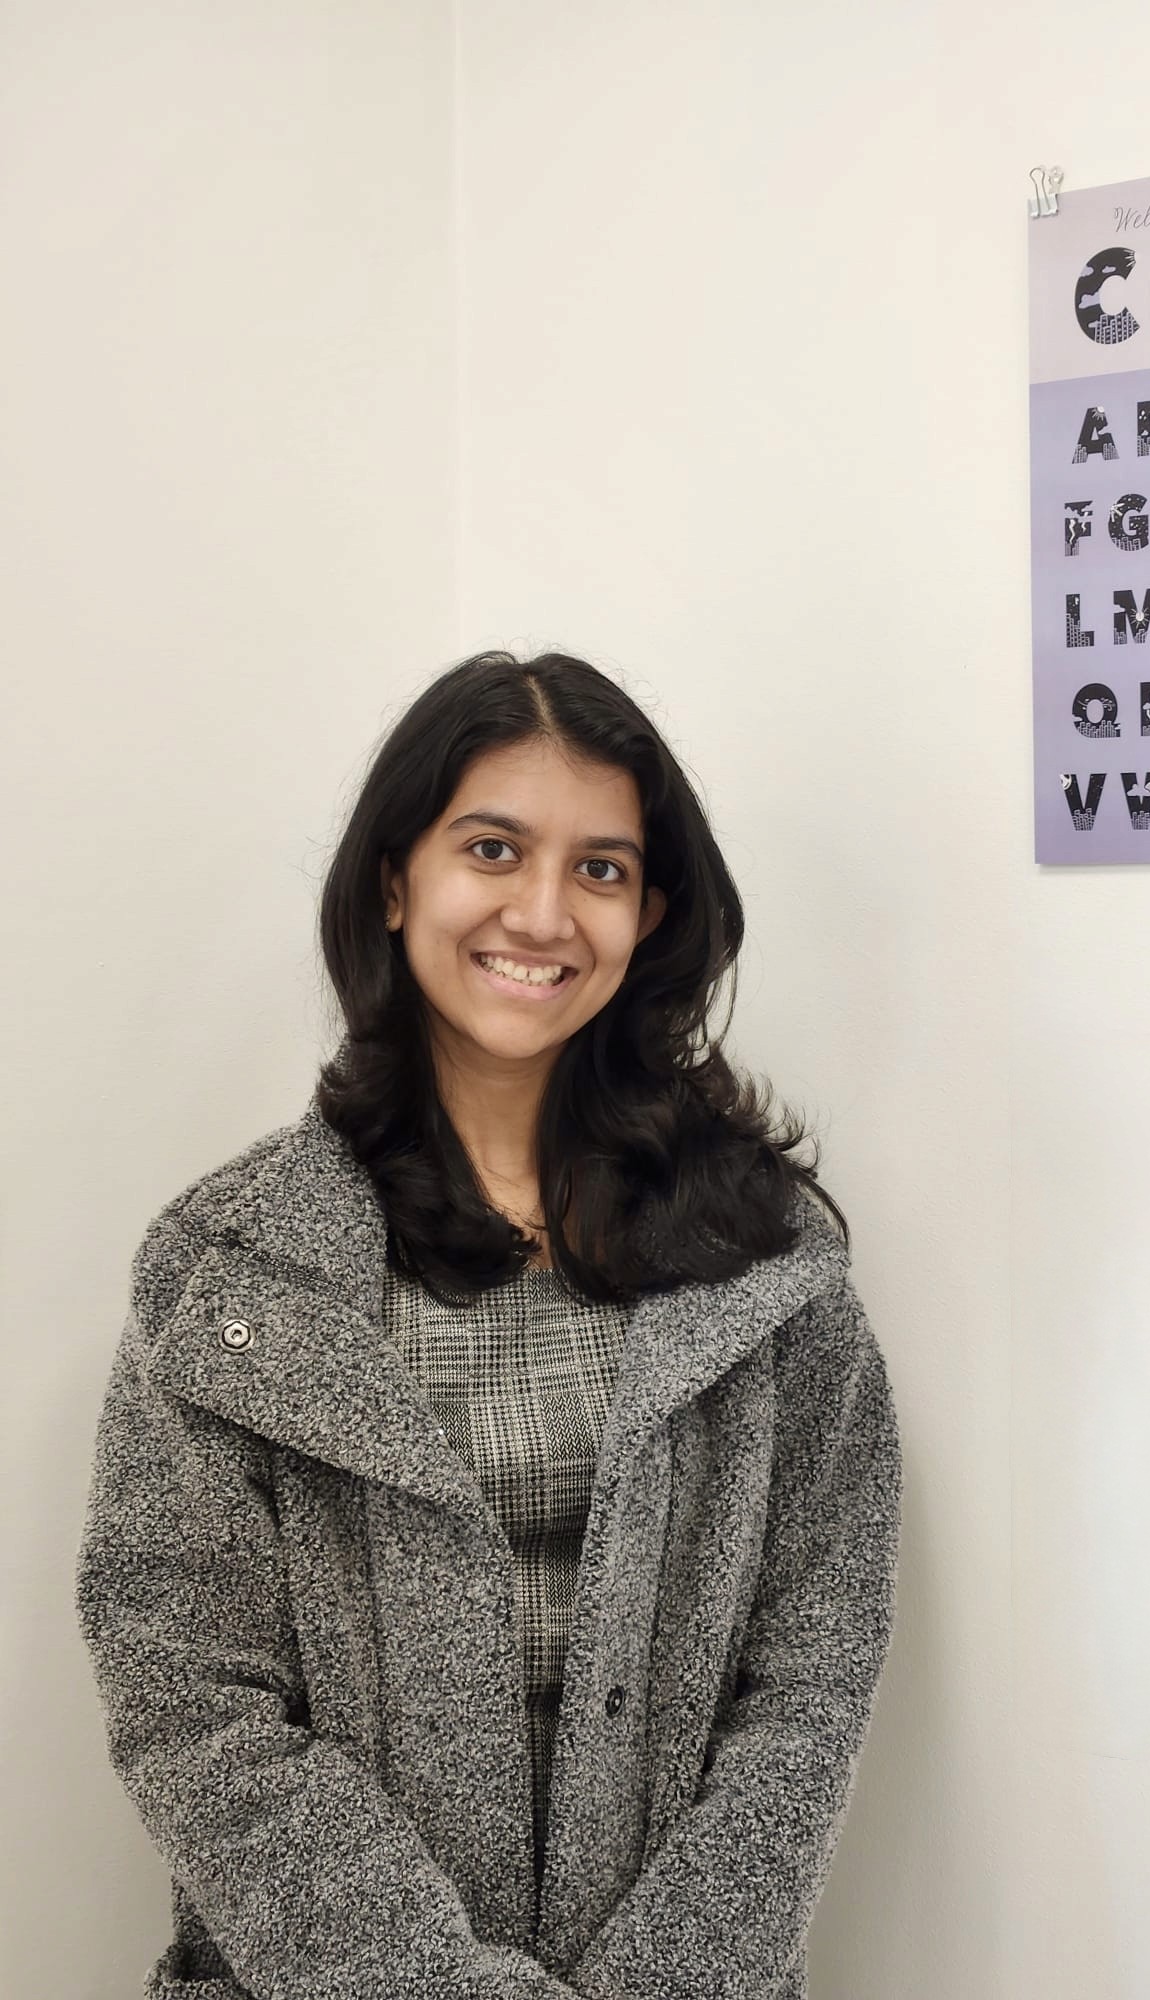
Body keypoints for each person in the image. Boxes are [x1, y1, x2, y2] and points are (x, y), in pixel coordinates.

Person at [74, 648, 904, 2000]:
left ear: (650, 915)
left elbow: (813, 1674)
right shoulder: (230, 1271)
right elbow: (189, 1698)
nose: (545, 911)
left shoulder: (768, 1265)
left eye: (602, 868)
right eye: (494, 848)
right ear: (398, 879)